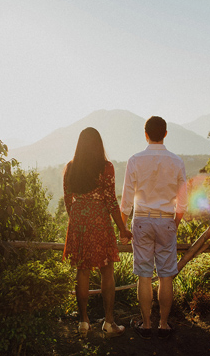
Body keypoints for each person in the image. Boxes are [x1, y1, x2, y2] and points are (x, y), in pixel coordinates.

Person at [120, 116, 187, 340]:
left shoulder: (135, 160)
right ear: (165, 134)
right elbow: (183, 202)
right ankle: (164, 324)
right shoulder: (177, 161)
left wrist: (122, 226)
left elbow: (126, 200)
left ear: (146, 134)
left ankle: (147, 325)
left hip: (142, 219)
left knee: (144, 275)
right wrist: (174, 224)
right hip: (166, 219)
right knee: (166, 275)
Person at [63, 127, 132, 338]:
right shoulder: (106, 167)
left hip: (78, 219)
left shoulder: (70, 167)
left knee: (82, 270)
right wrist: (122, 228)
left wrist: (76, 219)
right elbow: (111, 201)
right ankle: (109, 323)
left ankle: (83, 322)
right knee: (107, 269)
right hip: (100, 219)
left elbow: (67, 199)